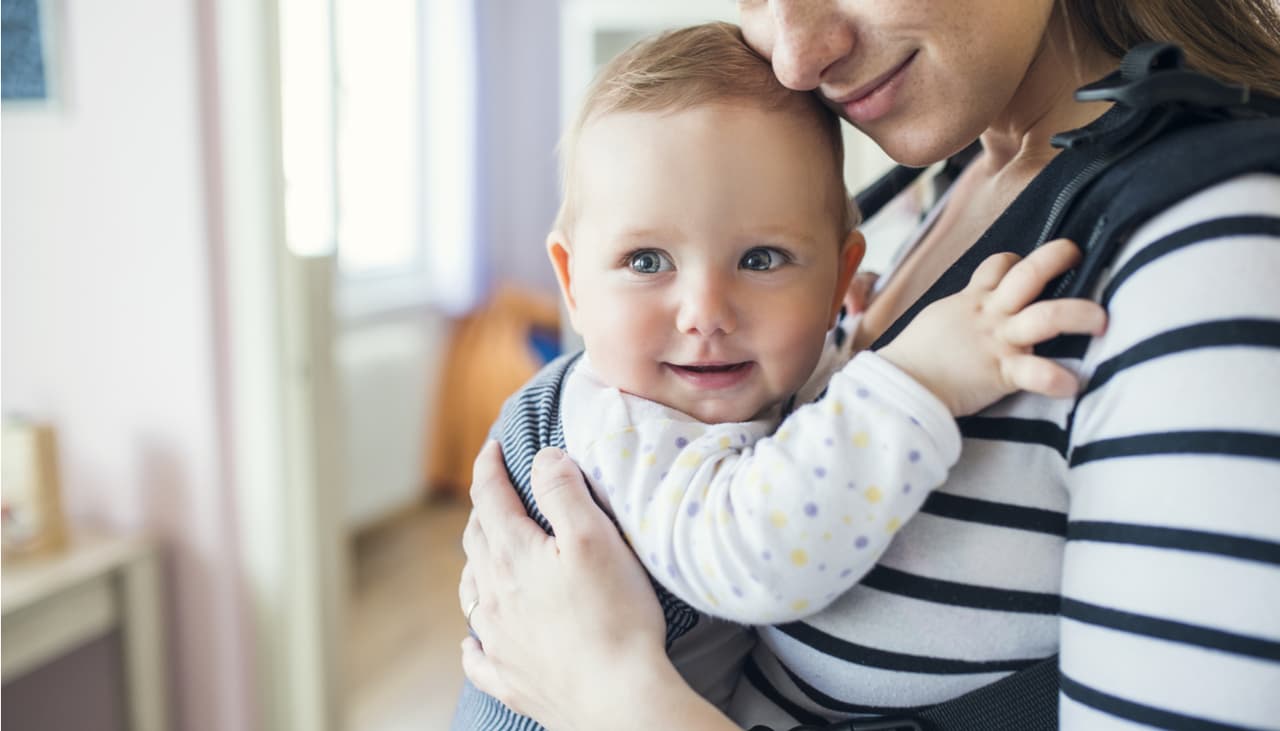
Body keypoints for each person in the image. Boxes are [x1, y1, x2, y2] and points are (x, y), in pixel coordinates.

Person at [459, 2, 1280, 729]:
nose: (795, 51)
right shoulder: (933, 192)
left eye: (763, 258)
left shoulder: (1211, 251)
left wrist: (613, 698)